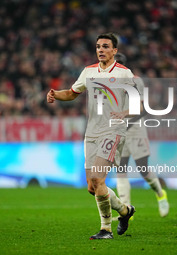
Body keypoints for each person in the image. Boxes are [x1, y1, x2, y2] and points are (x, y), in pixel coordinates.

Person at [47, 33, 136, 239]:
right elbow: (72, 92)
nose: (101, 50)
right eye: (98, 47)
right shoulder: (88, 72)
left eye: (105, 46)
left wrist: (123, 113)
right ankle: (125, 211)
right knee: (92, 187)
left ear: (114, 51)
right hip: (92, 133)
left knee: (98, 178)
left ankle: (106, 229)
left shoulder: (124, 73)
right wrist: (55, 94)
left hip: (113, 131)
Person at [114, 53, 170, 218]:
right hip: (120, 130)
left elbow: (140, 109)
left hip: (135, 129)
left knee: (142, 168)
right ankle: (126, 211)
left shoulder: (135, 81)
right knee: (121, 169)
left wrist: (123, 117)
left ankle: (161, 194)